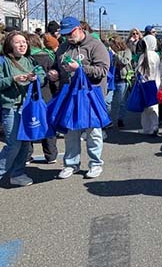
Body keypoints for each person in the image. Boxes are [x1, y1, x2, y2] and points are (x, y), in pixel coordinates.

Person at [47, 17, 110, 180]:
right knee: (71, 131)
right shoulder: (63, 47)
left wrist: (80, 67)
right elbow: (56, 67)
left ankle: (95, 164)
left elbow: (102, 71)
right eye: (65, 34)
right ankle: (71, 164)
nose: (68, 36)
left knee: (93, 131)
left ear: (79, 28)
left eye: (70, 33)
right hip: (69, 95)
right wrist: (54, 74)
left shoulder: (95, 45)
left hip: (90, 94)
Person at [0, 31, 41, 186]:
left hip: (27, 107)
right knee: (13, 144)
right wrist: (13, 79)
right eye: (18, 42)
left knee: (25, 142)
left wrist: (37, 77)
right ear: (10, 44)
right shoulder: (3, 61)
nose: (22, 45)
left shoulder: (29, 60)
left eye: (24, 42)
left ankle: (18, 173)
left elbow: (41, 74)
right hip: (10, 107)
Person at [24, 33, 58, 165]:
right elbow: (54, 77)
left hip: (29, 96)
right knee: (47, 124)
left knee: (29, 123)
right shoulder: (47, 57)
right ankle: (51, 155)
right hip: (46, 94)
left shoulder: (25, 58)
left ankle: (27, 155)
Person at [137, 36, 161, 135]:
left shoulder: (143, 56)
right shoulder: (156, 55)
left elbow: (139, 71)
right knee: (154, 106)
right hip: (156, 83)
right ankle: (155, 125)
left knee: (145, 108)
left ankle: (147, 128)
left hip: (145, 83)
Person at [108, 36, 133, 128]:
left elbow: (124, 61)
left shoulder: (127, 51)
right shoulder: (110, 53)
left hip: (122, 79)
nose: (112, 46)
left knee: (121, 102)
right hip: (111, 79)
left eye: (113, 44)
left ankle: (120, 119)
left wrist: (115, 55)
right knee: (108, 101)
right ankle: (108, 120)